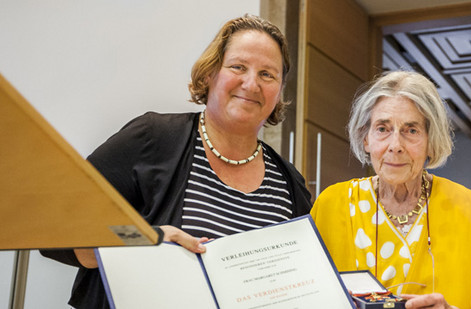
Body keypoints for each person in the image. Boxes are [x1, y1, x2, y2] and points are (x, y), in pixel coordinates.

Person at [40, 14, 311, 309]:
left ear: (279, 91)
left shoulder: (289, 183)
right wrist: (144, 239)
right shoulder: (152, 139)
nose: (251, 83)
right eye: (238, 67)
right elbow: (55, 229)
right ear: (210, 74)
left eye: (267, 74)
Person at [311, 71, 471, 308]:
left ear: (432, 141)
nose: (395, 145)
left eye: (411, 130)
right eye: (382, 129)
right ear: (365, 138)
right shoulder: (331, 205)